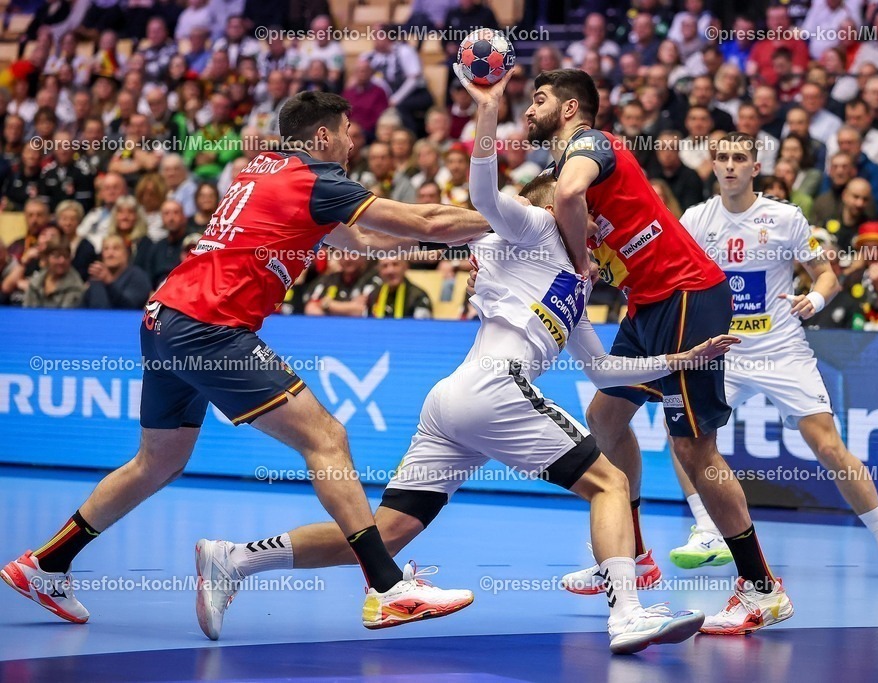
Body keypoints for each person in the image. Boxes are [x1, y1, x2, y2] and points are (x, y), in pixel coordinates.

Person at [193, 72, 736, 653]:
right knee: (611, 483)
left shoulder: (576, 285)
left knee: (387, 534)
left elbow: (602, 372)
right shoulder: (526, 225)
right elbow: (483, 194)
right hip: (495, 392)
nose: (568, 191)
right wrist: (486, 109)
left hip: (455, 406)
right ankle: (627, 614)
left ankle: (234, 560)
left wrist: (681, 356)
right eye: (556, 184)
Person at [0, 91, 490, 634]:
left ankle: (46, 563)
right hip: (211, 326)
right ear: (323, 136)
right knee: (325, 438)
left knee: (157, 461)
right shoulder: (317, 180)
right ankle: (386, 586)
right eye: (349, 131)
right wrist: (514, 220)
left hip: (164, 319)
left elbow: (369, 237)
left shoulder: (263, 168)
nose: (355, 142)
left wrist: (451, 241)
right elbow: (423, 220)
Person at [531, 68, 785, 635]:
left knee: (694, 449)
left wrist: (580, 262)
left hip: (687, 293)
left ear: (572, 108)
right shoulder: (558, 171)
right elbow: (547, 206)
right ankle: (637, 560)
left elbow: (571, 194)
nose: (529, 110)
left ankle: (761, 587)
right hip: (646, 305)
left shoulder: (594, 145)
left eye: (540, 99)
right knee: (605, 417)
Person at [665, 137, 878, 581]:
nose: (729, 166)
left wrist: (814, 302)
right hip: (723, 351)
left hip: (782, 351)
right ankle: (707, 530)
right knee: (684, 433)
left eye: (738, 159)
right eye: (722, 158)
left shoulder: (785, 218)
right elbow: (676, 276)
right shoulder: (695, 219)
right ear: (713, 165)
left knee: (828, 446)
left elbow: (827, 276)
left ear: (755, 166)